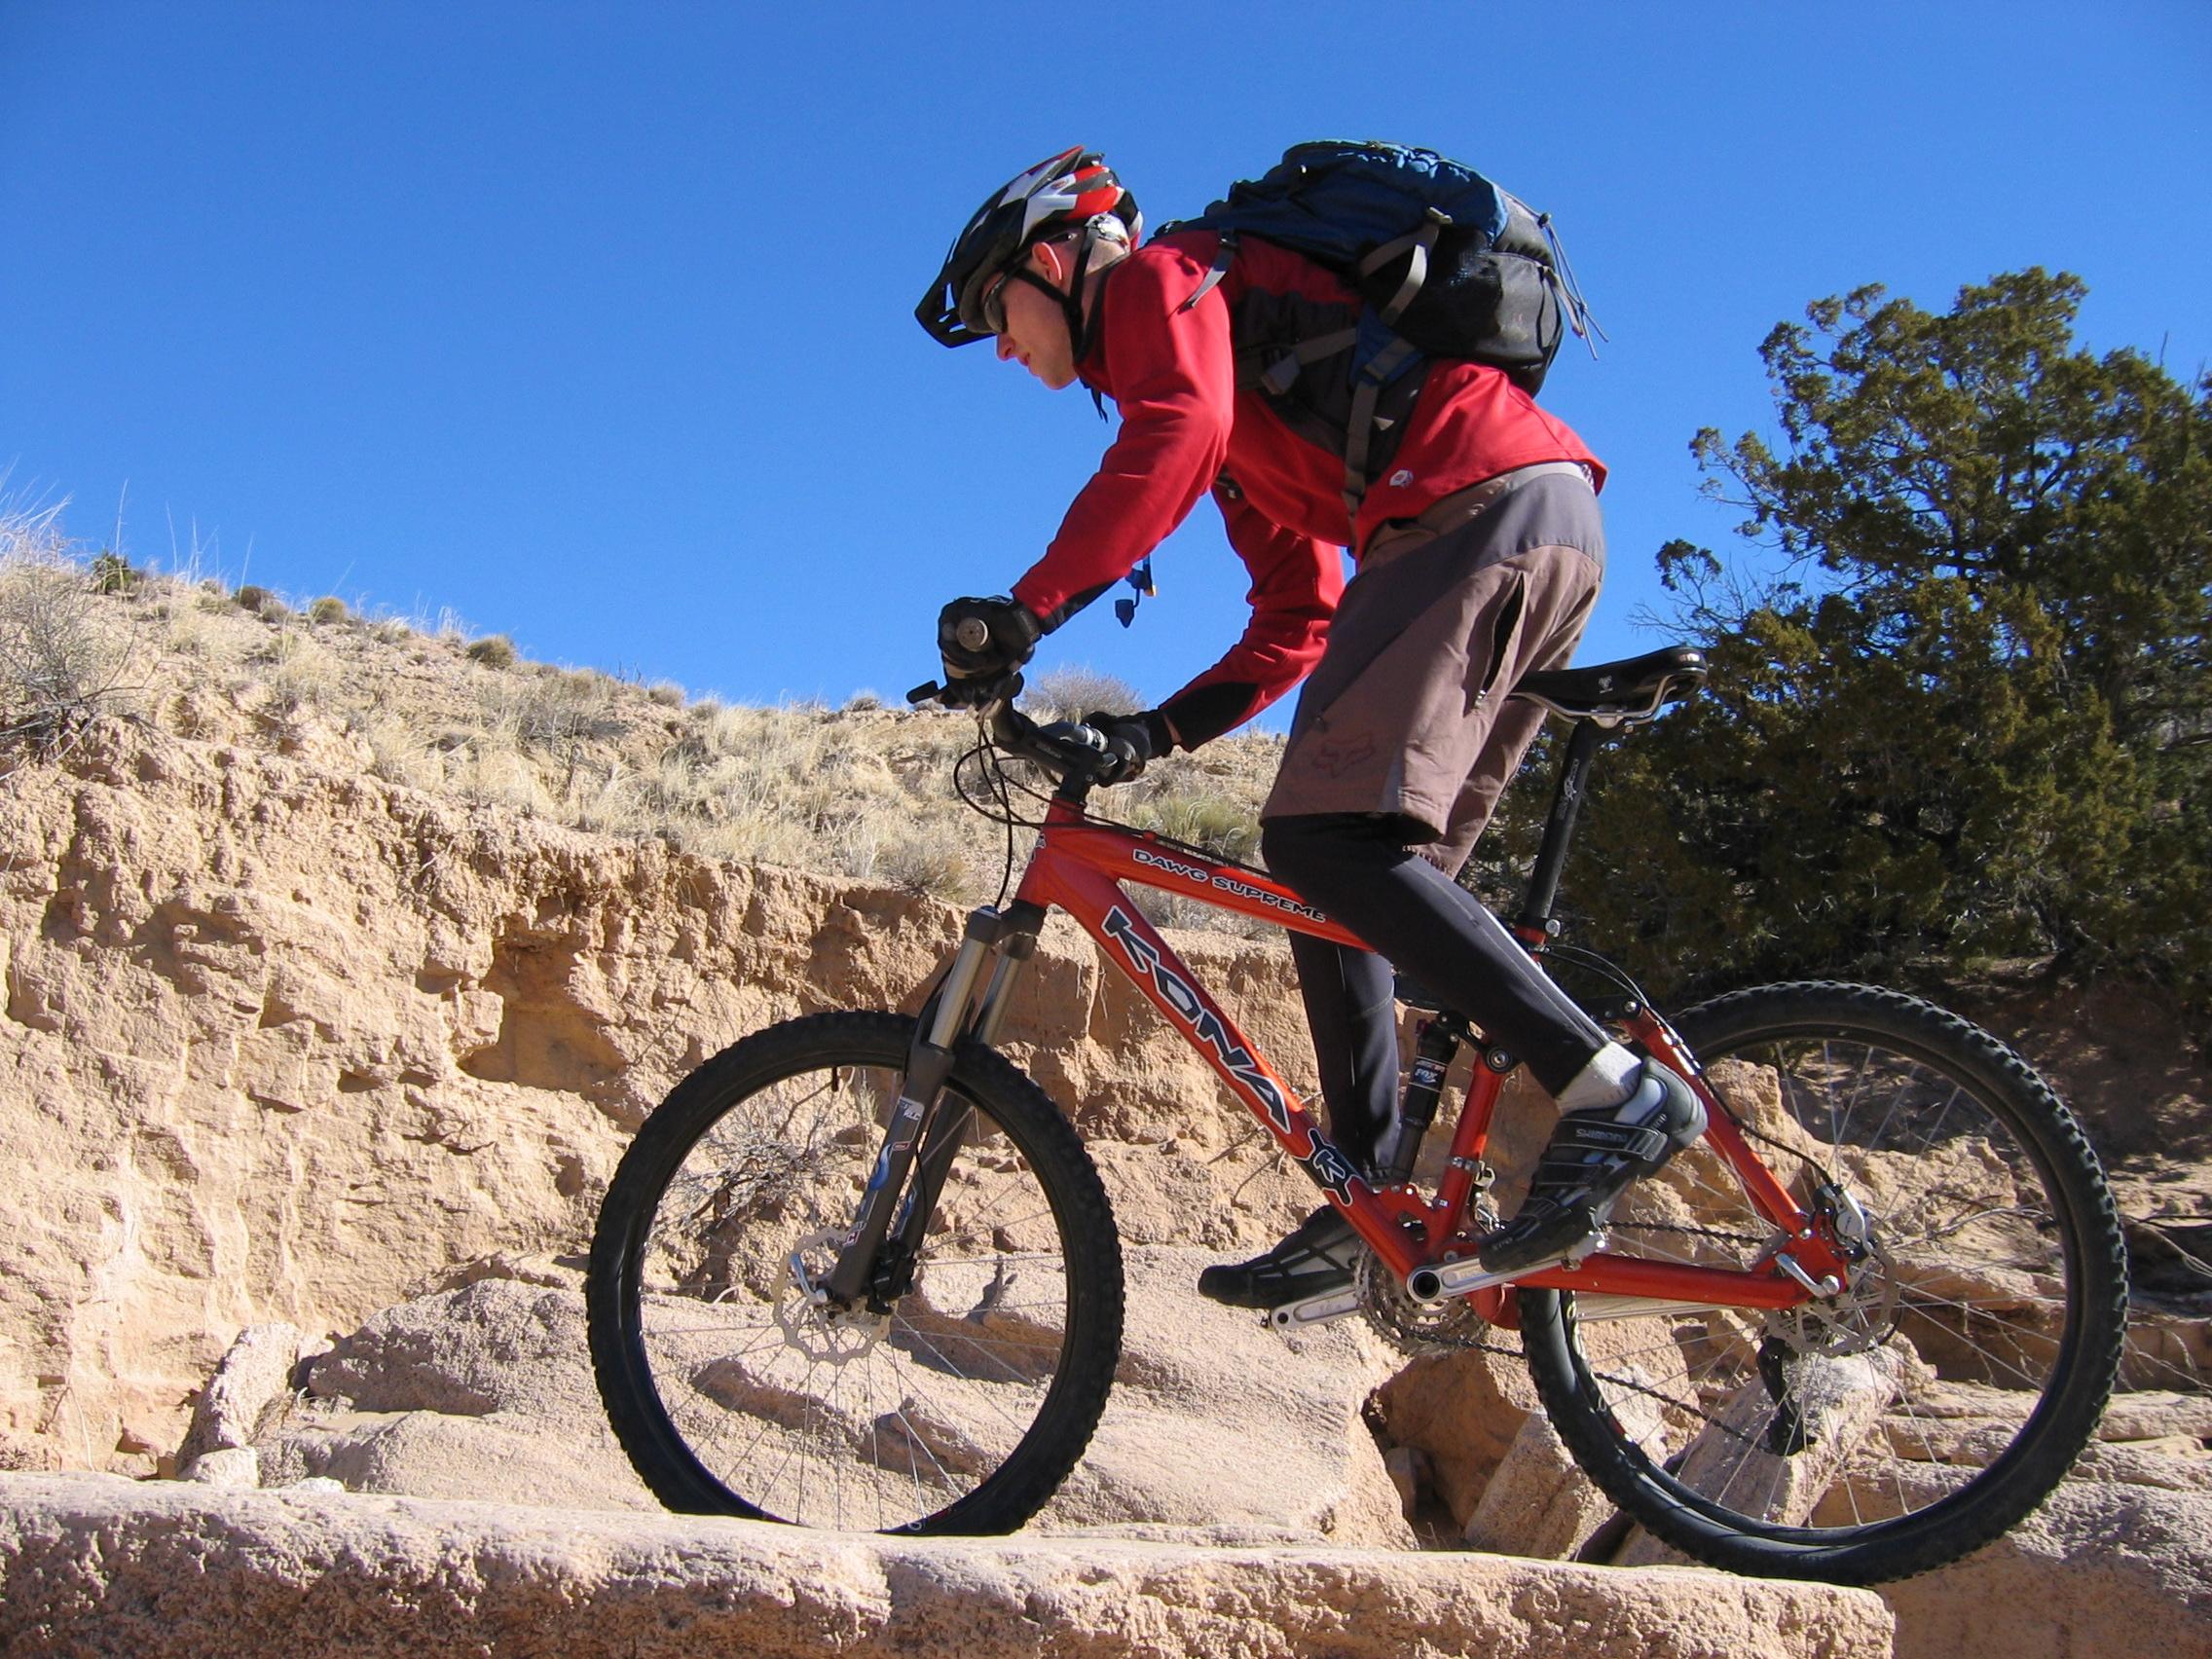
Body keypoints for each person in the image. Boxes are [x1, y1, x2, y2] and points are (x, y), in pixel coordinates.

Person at [915, 147, 1702, 1311]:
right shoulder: (1242, 397)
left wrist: (1028, 607)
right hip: (1529, 519)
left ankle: (1610, 1089)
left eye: (997, 307)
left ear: (1052, 261)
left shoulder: (1159, 281)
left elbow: (1172, 430)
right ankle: (1367, 1201)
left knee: (1326, 842)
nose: (1001, 344)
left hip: (1469, 512)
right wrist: (1151, 737)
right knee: (1356, 887)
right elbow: (1298, 615)